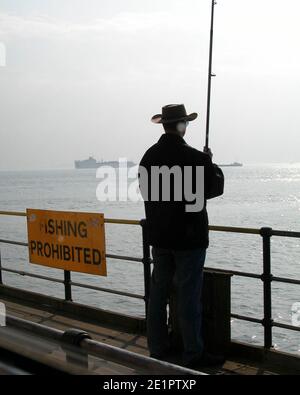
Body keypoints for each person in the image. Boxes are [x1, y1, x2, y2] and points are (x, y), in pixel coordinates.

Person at [139, 104, 224, 368]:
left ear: (164, 125)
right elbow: (213, 189)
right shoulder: (195, 158)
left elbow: (145, 192)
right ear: (181, 126)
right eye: (185, 123)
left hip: (160, 238)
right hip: (189, 240)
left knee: (158, 295)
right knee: (188, 297)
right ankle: (193, 354)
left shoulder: (148, 157)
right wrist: (210, 162)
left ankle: (157, 347)